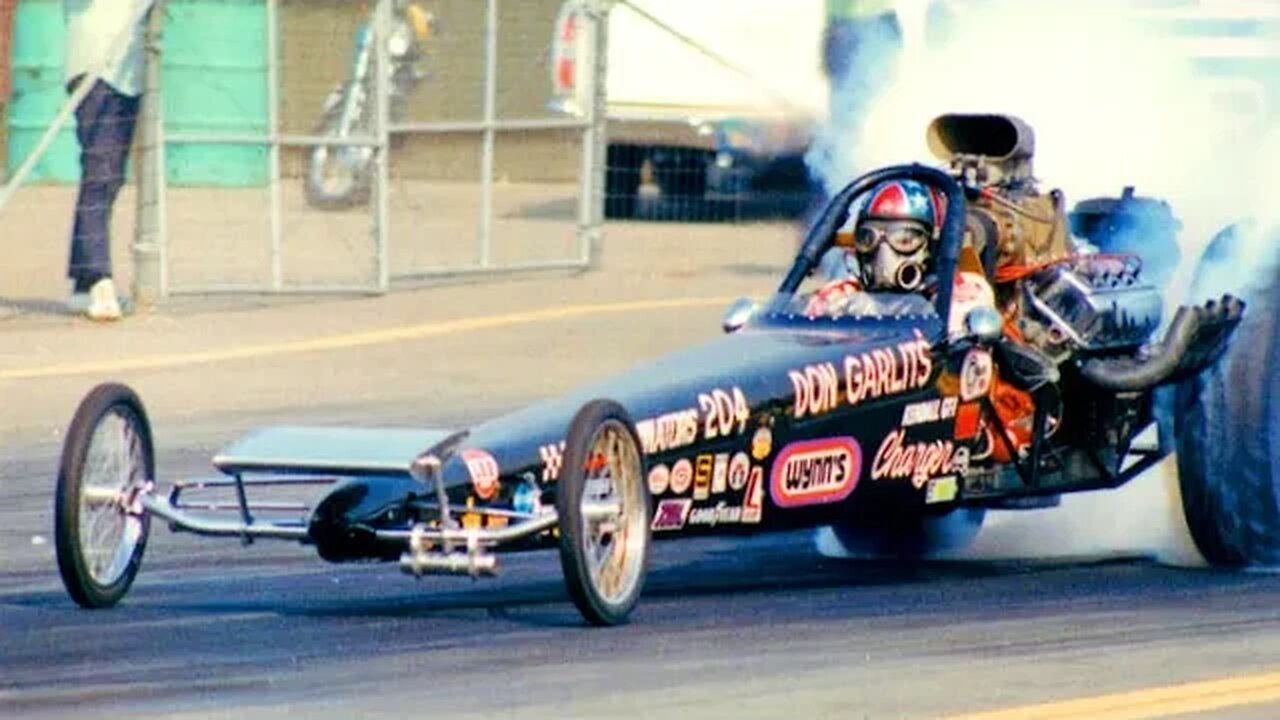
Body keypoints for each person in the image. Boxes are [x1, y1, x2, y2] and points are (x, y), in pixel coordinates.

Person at [63, 0, 154, 321]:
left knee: (108, 177)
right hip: (94, 65)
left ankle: (83, 280)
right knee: (100, 172)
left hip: (129, 70)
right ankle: (100, 279)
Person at [808, 178, 995, 333]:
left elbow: (944, 336)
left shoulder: (962, 290)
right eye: (868, 237)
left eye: (904, 239)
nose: (883, 253)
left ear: (932, 244)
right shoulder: (840, 294)